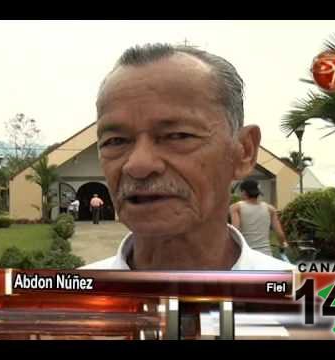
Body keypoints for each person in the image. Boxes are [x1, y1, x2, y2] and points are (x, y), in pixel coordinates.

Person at [82, 43, 293, 270]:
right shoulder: (63, 300)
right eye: (116, 141)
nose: (138, 164)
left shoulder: (311, 300)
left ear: (244, 151)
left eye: (177, 136)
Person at [229, 179, 289, 257]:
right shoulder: (270, 208)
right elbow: (280, 234)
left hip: (246, 256)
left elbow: (235, 232)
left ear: (243, 192)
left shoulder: (236, 207)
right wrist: (283, 244)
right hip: (266, 255)